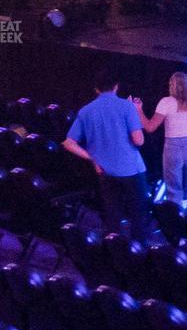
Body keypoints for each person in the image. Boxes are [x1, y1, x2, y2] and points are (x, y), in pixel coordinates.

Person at [62, 71, 157, 241]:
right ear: (116, 87)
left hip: (105, 171)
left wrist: (92, 158)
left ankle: (115, 253)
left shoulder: (86, 111)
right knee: (138, 215)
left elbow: (68, 143)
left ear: (96, 89)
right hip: (132, 170)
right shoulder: (126, 107)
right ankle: (139, 256)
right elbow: (139, 140)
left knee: (112, 217)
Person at [144, 69, 187, 215]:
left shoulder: (165, 102)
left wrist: (138, 110)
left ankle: (175, 225)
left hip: (172, 148)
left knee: (173, 190)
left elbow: (150, 127)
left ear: (172, 86)